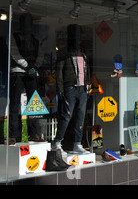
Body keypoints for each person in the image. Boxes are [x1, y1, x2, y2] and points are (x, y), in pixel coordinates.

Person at [52, 24, 90, 155]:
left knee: (81, 116)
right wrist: (61, 89)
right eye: (75, 35)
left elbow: (86, 69)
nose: (77, 38)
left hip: (83, 88)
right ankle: (57, 143)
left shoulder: (83, 52)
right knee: (66, 115)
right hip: (70, 87)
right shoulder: (64, 52)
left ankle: (77, 144)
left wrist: (88, 85)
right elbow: (59, 72)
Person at [9, 13, 44, 144]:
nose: (27, 27)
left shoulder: (35, 39)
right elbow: (14, 53)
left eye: (29, 24)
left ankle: (34, 133)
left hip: (31, 72)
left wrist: (35, 66)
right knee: (15, 104)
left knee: (34, 104)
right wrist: (28, 66)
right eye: (25, 23)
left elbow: (40, 54)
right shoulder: (14, 36)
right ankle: (13, 135)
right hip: (18, 72)